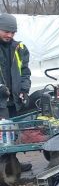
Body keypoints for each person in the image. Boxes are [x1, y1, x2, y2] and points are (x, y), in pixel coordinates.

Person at [0, 13, 32, 172]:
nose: (9, 35)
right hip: (0, 101)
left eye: (12, 32)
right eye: (6, 31)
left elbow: (25, 72)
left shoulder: (19, 48)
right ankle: (5, 166)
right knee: (2, 135)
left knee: (11, 133)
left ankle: (12, 163)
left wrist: (24, 90)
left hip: (13, 99)